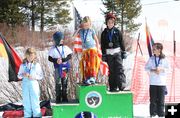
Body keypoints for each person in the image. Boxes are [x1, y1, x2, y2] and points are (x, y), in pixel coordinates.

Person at [101, 13, 127, 92]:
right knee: (111, 71)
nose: (110, 24)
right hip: (109, 54)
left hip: (117, 52)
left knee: (119, 68)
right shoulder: (104, 33)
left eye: (112, 22)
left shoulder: (117, 31)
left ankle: (121, 85)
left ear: (114, 23)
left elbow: (121, 42)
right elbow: (102, 45)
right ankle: (113, 87)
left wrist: (123, 51)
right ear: (106, 23)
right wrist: (104, 54)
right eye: (109, 22)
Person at [145, 43, 170, 117]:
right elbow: (146, 68)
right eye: (153, 49)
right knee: (153, 100)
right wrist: (153, 70)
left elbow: (169, 69)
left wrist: (161, 69)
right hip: (153, 82)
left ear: (159, 49)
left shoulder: (164, 59)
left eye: (154, 49)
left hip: (161, 83)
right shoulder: (151, 58)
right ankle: (153, 114)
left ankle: (161, 114)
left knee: (161, 101)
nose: (153, 50)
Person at [74, 16, 101, 85]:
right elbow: (73, 37)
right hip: (85, 50)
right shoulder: (81, 31)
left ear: (90, 24)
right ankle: (87, 78)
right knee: (86, 64)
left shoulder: (91, 30)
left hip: (92, 48)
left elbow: (96, 40)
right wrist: (78, 29)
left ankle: (92, 77)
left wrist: (98, 48)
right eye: (85, 25)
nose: (86, 26)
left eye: (88, 25)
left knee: (91, 62)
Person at [18, 48, 43, 117]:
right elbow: (19, 75)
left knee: (35, 100)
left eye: (32, 56)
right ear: (26, 56)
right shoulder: (23, 65)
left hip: (33, 83)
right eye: (28, 56)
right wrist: (23, 75)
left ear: (34, 56)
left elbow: (41, 76)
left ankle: (37, 115)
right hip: (25, 84)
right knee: (26, 101)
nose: (30, 58)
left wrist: (34, 77)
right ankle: (27, 116)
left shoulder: (36, 65)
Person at [48, 31, 72, 103]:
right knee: (58, 83)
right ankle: (58, 97)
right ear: (57, 40)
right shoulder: (53, 49)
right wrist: (56, 60)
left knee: (64, 82)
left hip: (65, 68)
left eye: (62, 39)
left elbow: (70, 56)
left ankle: (65, 97)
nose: (62, 40)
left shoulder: (65, 47)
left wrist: (64, 59)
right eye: (60, 39)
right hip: (57, 68)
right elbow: (50, 58)